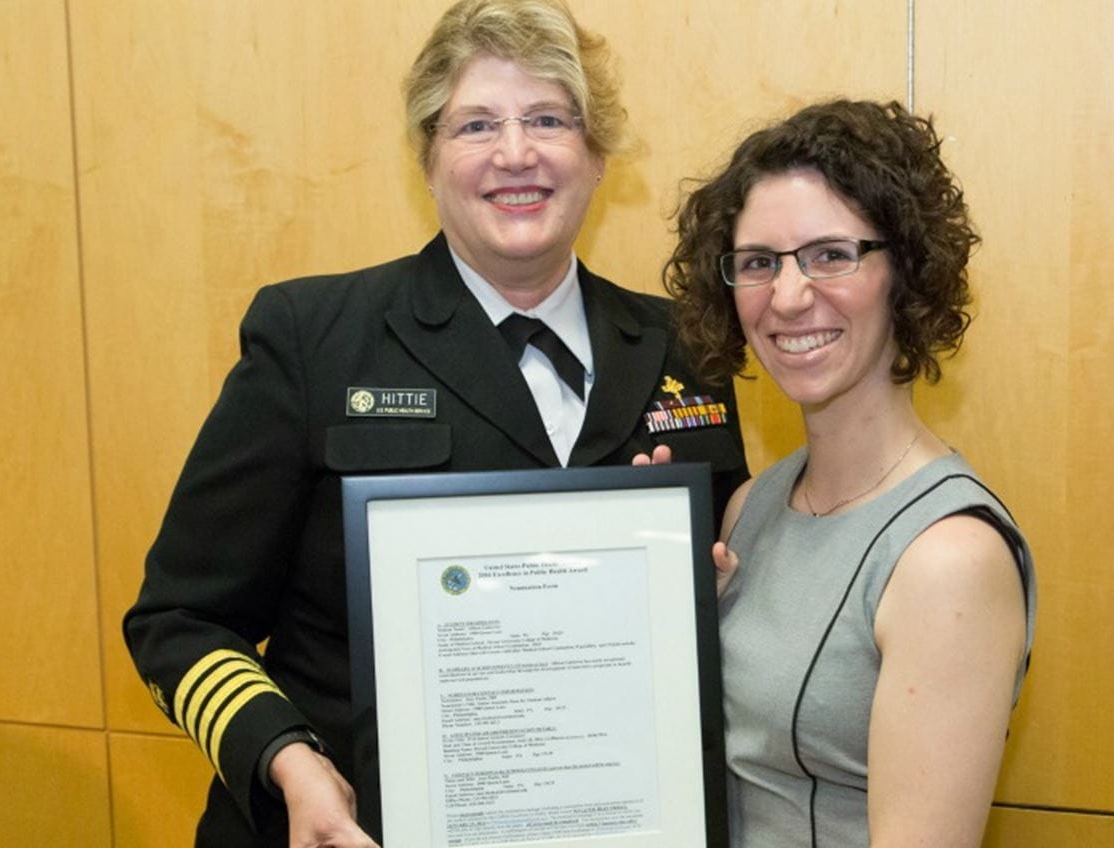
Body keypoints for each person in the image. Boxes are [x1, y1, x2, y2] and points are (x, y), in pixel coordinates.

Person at [123, 1, 748, 845]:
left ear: (597, 155)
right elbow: (178, 620)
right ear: (427, 158)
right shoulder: (315, 338)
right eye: (476, 124)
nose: (515, 153)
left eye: (548, 119)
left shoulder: (687, 345)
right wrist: (288, 762)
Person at [664, 99, 1036, 847]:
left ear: (904, 271)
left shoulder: (949, 559)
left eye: (831, 254)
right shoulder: (753, 508)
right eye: (759, 263)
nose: (790, 296)